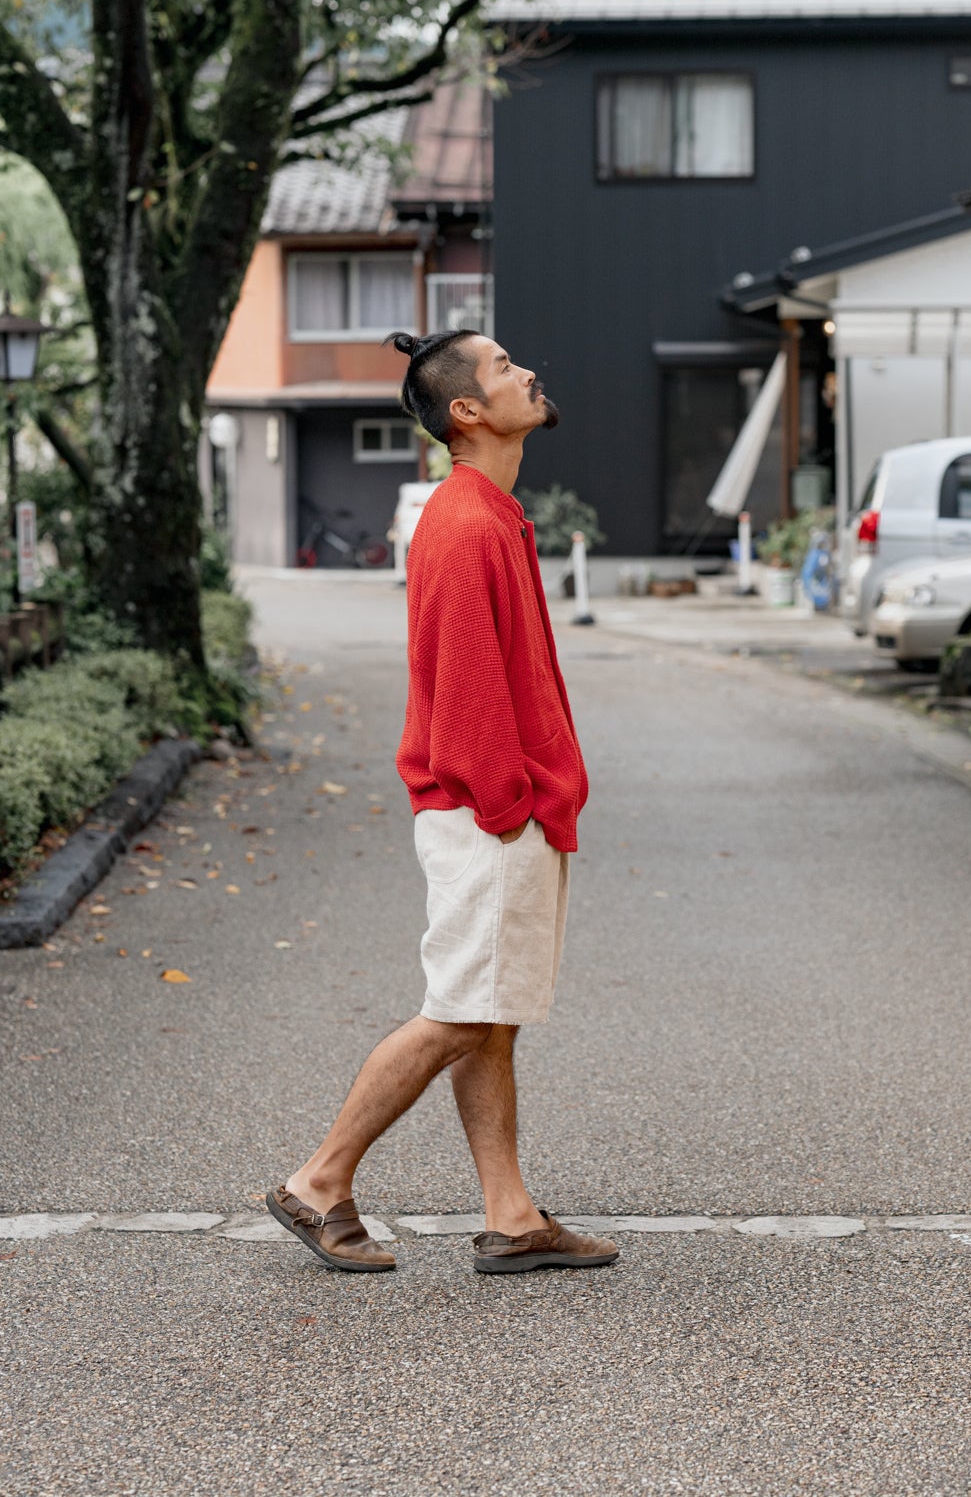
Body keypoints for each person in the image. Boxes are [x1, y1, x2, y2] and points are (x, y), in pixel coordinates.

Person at [269, 330, 618, 1278]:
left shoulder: (485, 513)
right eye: (504, 368)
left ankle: (512, 1216)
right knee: (462, 1011)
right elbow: (466, 701)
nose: (526, 371)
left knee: (488, 1013)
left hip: (497, 811)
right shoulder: (466, 525)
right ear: (465, 411)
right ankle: (319, 1180)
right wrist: (513, 803)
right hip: (488, 811)